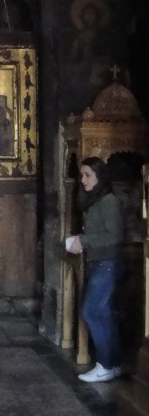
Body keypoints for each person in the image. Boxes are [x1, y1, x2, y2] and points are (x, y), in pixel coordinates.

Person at [67, 156, 124, 382]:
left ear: (100, 176)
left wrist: (84, 241)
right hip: (99, 261)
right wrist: (81, 241)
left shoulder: (109, 201)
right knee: (104, 313)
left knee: (92, 311)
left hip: (107, 263)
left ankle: (106, 364)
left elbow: (114, 235)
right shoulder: (97, 201)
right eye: (82, 175)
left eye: (87, 175)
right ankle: (113, 363)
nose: (83, 180)